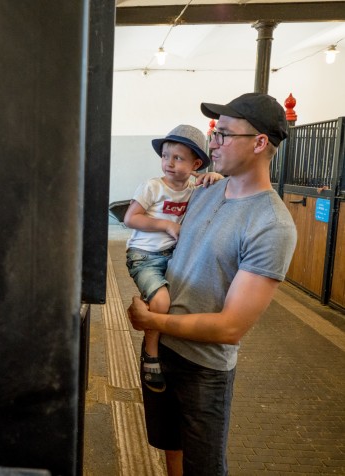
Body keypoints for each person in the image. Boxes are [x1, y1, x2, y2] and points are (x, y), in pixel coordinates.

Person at [127, 93, 297, 476]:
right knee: (170, 449)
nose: (213, 142)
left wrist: (153, 322)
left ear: (258, 143)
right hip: (162, 352)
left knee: (203, 468)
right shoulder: (203, 190)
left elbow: (231, 327)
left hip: (203, 369)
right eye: (214, 133)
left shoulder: (271, 224)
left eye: (223, 134)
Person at [123, 124, 223, 393]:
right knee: (162, 301)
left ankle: (171, 345)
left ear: (196, 164)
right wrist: (166, 225)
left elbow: (216, 189)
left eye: (178, 158)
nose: (168, 163)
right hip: (144, 256)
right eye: (166, 156)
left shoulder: (194, 187)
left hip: (174, 257)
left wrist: (213, 176)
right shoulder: (152, 187)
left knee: (184, 299)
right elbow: (130, 218)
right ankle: (151, 355)